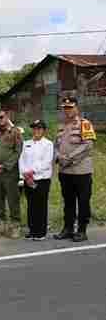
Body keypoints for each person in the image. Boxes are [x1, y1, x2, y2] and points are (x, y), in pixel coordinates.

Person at [53, 97, 96, 242]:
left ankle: (82, 231)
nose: (67, 110)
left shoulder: (84, 123)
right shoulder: (61, 126)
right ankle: (68, 229)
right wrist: (58, 156)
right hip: (65, 171)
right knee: (68, 201)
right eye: (65, 108)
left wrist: (69, 157)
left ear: (76, 108)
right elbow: (56, 145)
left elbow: (88, 145)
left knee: (83, 201)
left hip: (81, 171)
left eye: (70, 107)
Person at [0, 109, 23, 227]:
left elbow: (18, 151)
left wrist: (5, 165)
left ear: (7, 117)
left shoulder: (15, 132)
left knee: (13, 199)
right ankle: (0, 223)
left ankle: (15, 224)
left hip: (9, 172)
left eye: (1, 117)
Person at [19, 120, 53, 241]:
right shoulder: (26, 143)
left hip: (41, 179)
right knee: (31, 205)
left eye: (39, 128)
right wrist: (25, 174)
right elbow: (21, 160)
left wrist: (32, 171)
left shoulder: (48, 144)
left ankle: (40, 232)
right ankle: (32, 230)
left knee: (40, 205)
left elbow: (47, 162)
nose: (36, 131)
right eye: (34, 128)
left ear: (44, 130)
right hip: (28, 179)